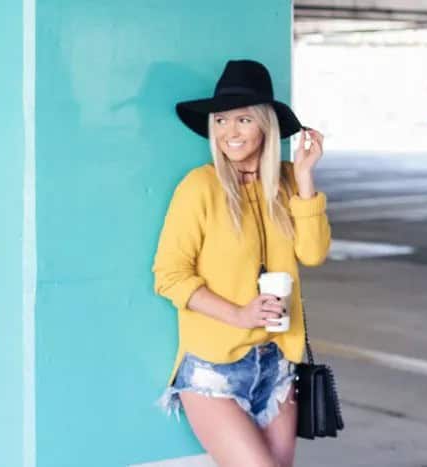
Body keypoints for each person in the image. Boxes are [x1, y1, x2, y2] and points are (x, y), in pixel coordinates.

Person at [153, 59, 331, 467]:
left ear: (266, 125)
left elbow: (313, 253)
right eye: (221, 121)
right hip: (214, 371)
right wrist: (238, 313)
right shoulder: (200, 187)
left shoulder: (287, 181)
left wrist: (305, 179)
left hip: (278, 365)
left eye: (244, 120)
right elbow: (169, 276)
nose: (229, 132)